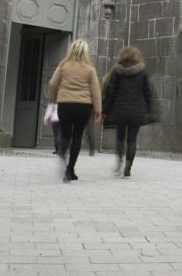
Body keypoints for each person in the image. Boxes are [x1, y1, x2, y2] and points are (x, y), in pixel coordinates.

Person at [46, 39, 102, 182]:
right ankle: (70, 169)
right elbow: (96, 91)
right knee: (77, 137)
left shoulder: (63, 65)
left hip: (65, 104)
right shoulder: (90, 68)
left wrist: (52, 101)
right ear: (85, 52)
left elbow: (52, 84)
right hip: (83, 106)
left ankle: (62, 156)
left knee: (65, 135)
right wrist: (98, 110)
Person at [102, 46, 157, 178]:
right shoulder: (142, 72)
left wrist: (105, 110)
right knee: (132, 140)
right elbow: (148, 92)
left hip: (120, 111)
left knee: (120, 138)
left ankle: (119, 162)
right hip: (136, 112)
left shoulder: (117, 71)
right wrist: (150, 110)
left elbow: (111, 92)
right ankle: (128, 167)